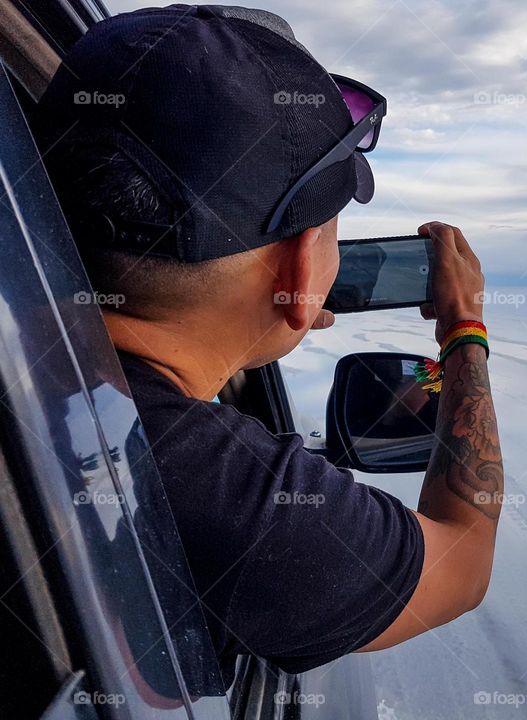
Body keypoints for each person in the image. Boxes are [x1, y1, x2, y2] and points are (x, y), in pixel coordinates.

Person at [34, 4, 503, 686]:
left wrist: (280, 304)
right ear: (303, 263)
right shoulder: (238, 504)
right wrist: (465, 331)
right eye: (333, 232)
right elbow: (463, 562)